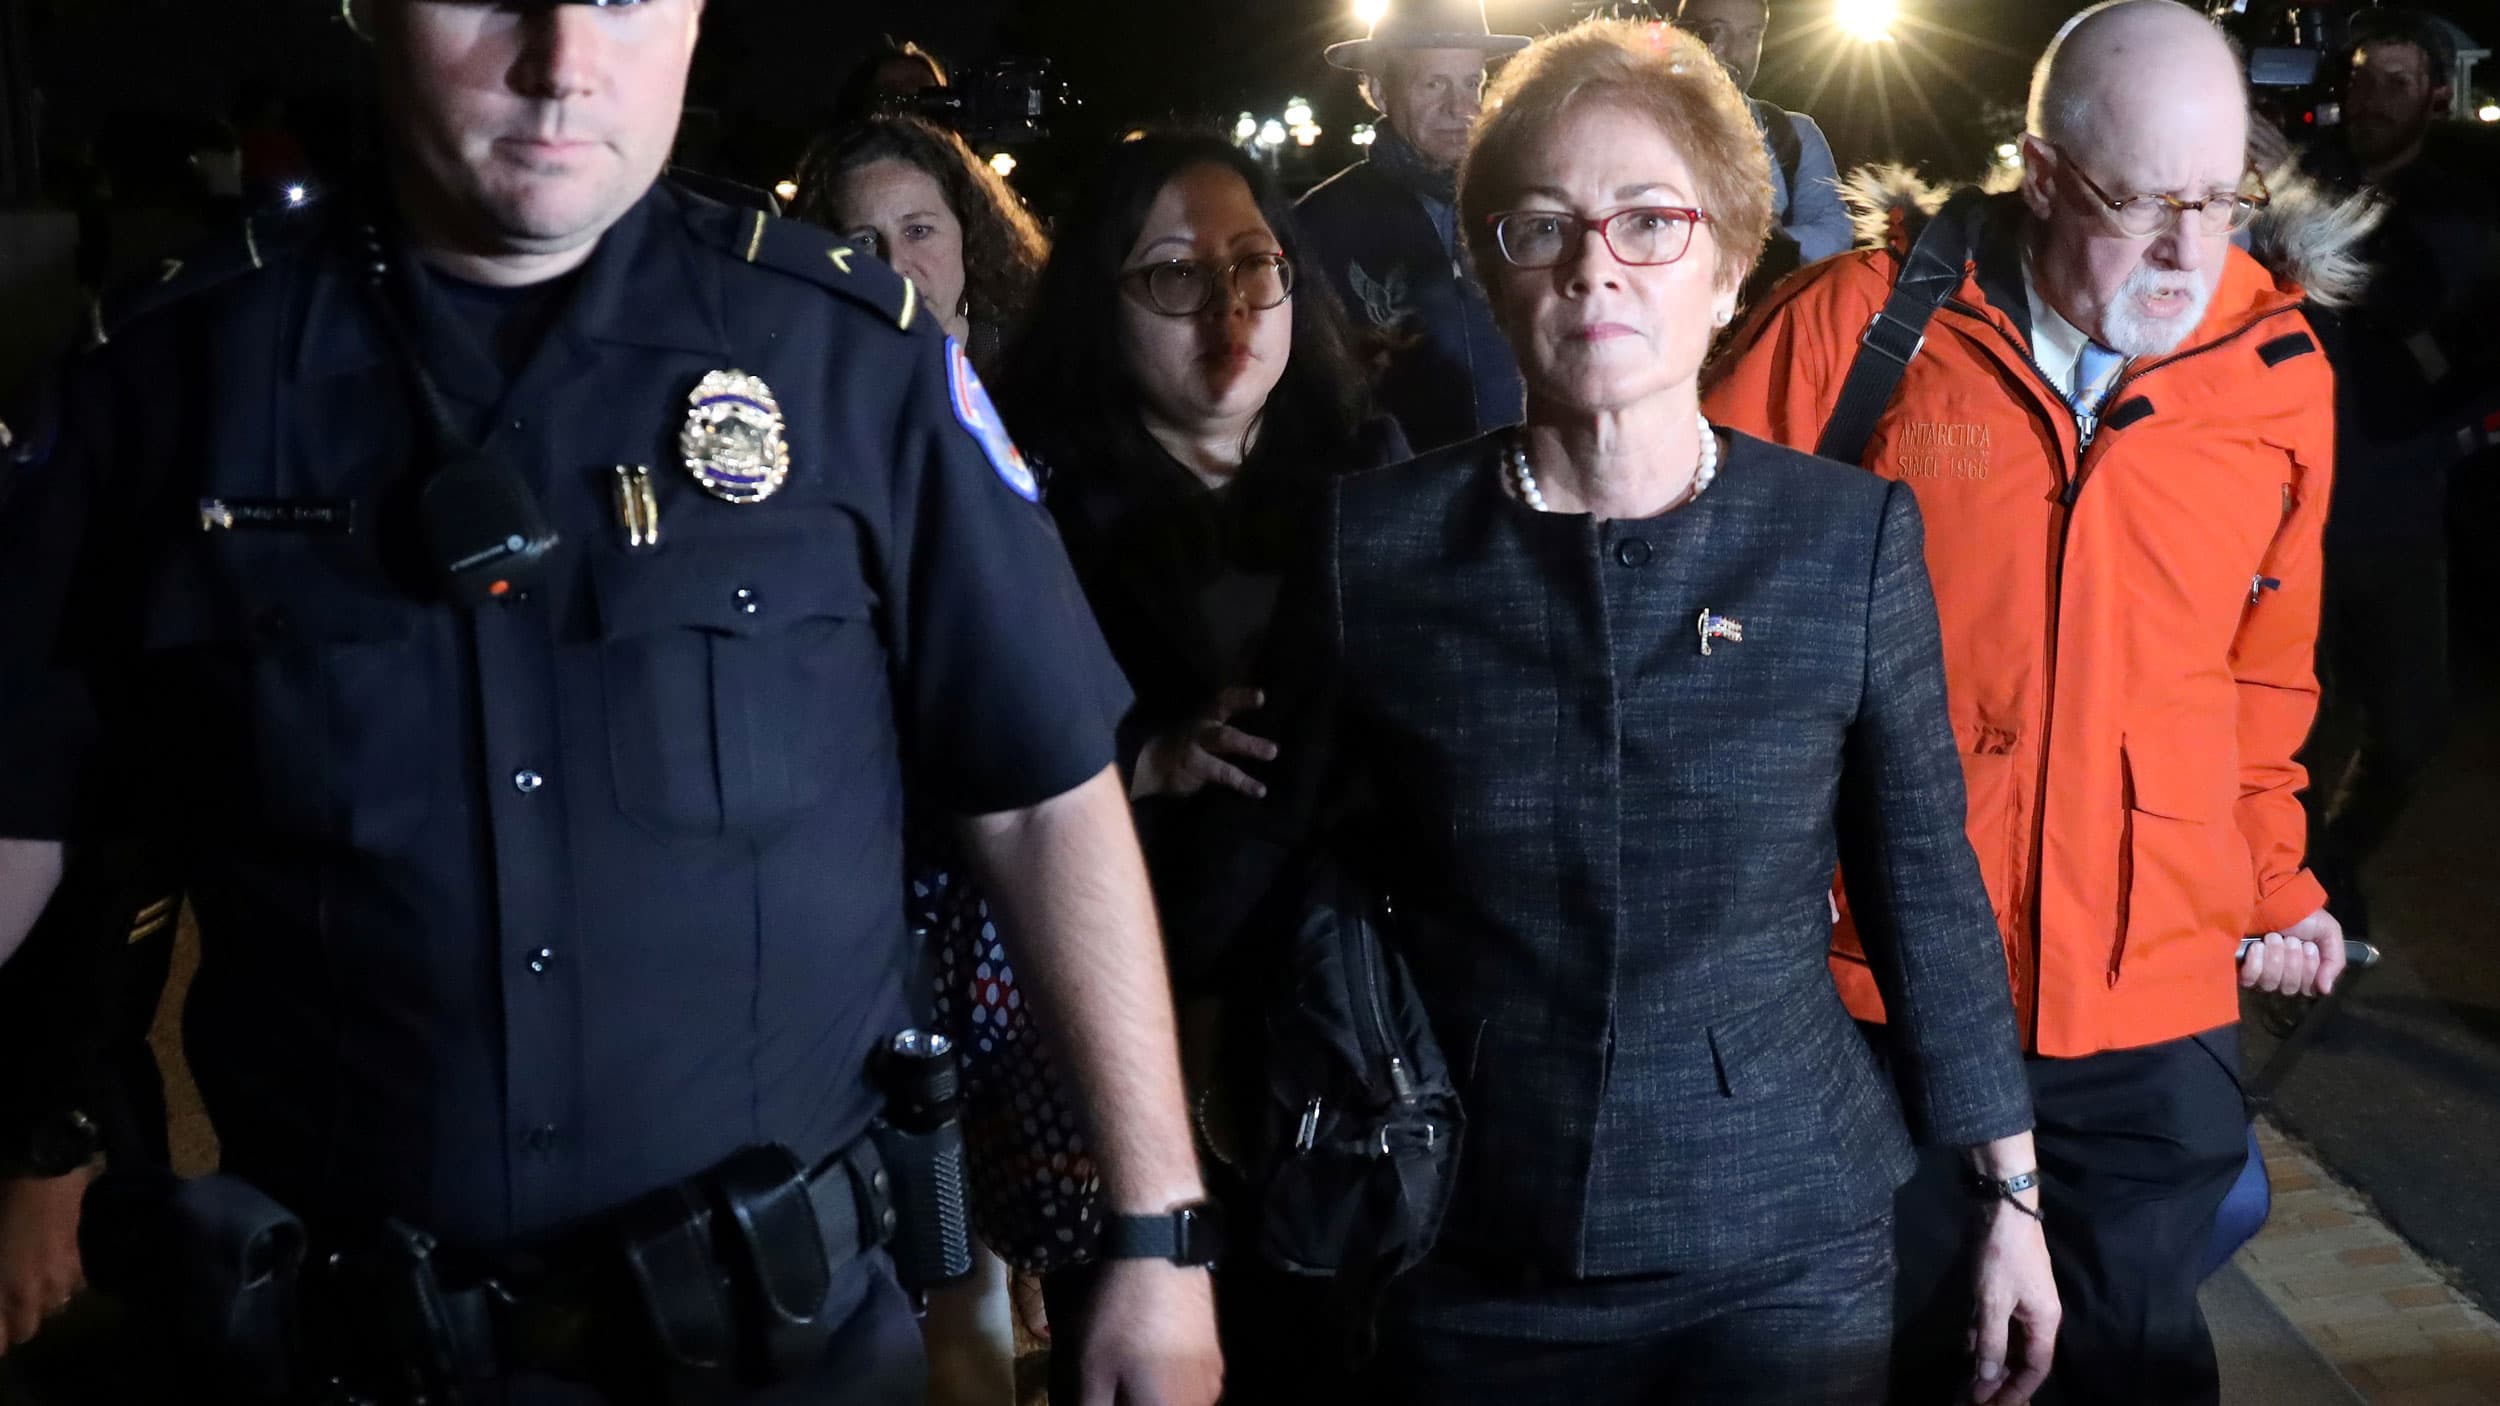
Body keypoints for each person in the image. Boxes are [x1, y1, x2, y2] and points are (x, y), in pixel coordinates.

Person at [0, 4, 1222, 1404]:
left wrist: (1157, 1233)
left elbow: (1046, 803)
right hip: (354, 1358)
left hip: (795, 1357)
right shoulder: (164, 378)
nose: (565, 56)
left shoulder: (847, 360)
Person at [1223, 20, 2058, 1403]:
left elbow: (1923, 880)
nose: (1594, 262)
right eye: (1540, 225)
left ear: (1730, 258)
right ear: (1489, 273)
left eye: (1649, 220)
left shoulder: (1840, 543)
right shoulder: (1375, 550)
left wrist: (2010, 1196)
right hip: (1468, 1234)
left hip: (1785, 1241)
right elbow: (1275, 869)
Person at [1705, 3, 2367, 1400]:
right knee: (1894, 1349)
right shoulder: (1860, 331)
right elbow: (1697, 611)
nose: (2194, 249)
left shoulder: (2276, 371)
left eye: (2220, 196)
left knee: (2124, 1355)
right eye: (2143, 203)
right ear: (2043, 172)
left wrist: (2270, 882)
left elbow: (2264, 674)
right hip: (1879, 987)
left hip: (2149, 999)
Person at [993, 129, 1408, 1404]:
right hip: (1139, 1049)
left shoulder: (1372, 471)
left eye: (1255, 268)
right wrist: (1139, 757)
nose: (1227, 312)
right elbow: (970, 762)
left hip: (1356, 1049)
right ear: (1099, 302)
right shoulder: (1026, 501)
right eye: (1173, 276)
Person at [2291, 10, 2500, 943]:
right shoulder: (2310, 168)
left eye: (2398, 82)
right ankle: (2300, 907)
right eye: (2366, 77)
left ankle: (2328, 864)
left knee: (2413, 726)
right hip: (2288, 503)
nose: (2372, 98)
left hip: (2399, 504)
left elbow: (2408, 288)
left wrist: (2453, 436)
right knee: (2292, 724)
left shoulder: (2457, 201)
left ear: (2437, 96)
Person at [1297, 0, 1527, 454]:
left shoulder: (1524, 207)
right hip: (1394, 495)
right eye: (1434, 83)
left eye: (1470, 83)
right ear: (1380, 92)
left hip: (1522, 486)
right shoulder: (1318, 223)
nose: (1460, 107)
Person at [793, 114, 1048, 373]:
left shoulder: (1030, 362)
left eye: (918, 231)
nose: (894, 267)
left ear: (968, 229)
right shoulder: (812, 374)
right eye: (864, 241)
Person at [1673, 0, 1851, 304]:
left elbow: (1836, 232)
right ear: (1680, 32)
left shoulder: (1794, 134)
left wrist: (1766, 241)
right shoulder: (1635, 128)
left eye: (1750, 36)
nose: (1734, 51)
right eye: (1716, 30)